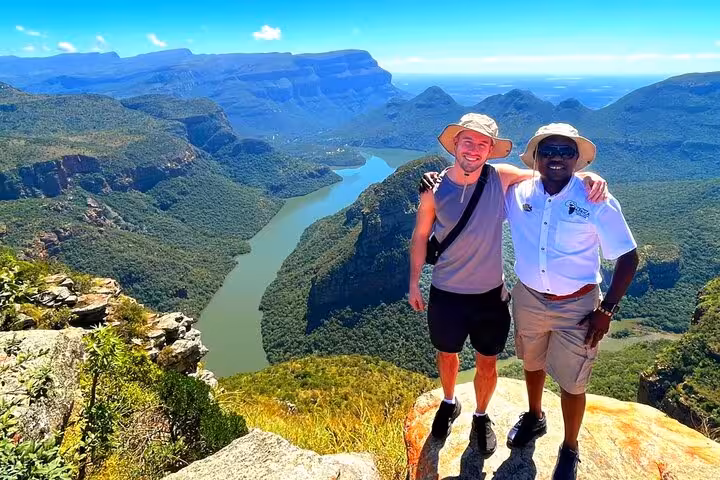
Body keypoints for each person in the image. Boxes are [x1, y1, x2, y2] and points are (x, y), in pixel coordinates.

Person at [409, 114, 606, 458]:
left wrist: (589, 177)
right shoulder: (434, 188)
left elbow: (548, 175)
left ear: (491, 150)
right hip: (446, 292)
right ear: (455, 144)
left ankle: (481, 416)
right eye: (467, 141)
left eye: (482, 143)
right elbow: (420, 235)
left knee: (487, 362)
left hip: (490, 297)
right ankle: (449, 401)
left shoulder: (500, 178)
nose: (473, 149)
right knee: (447, 354)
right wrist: (414, 283)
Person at [504, 123, 639, 480]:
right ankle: (534, 417)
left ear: (577, 159)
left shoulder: (596, 199)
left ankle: (570, 446)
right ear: (535, 157)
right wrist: (437, 179)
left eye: (566, 151)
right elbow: (479, 178)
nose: (557, 158)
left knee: (573, 381)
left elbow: (628, 256)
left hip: (578, 306)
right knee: (531, 362)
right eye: (548, 151)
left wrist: (606, 310)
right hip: (529, 296)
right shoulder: (517, 193)